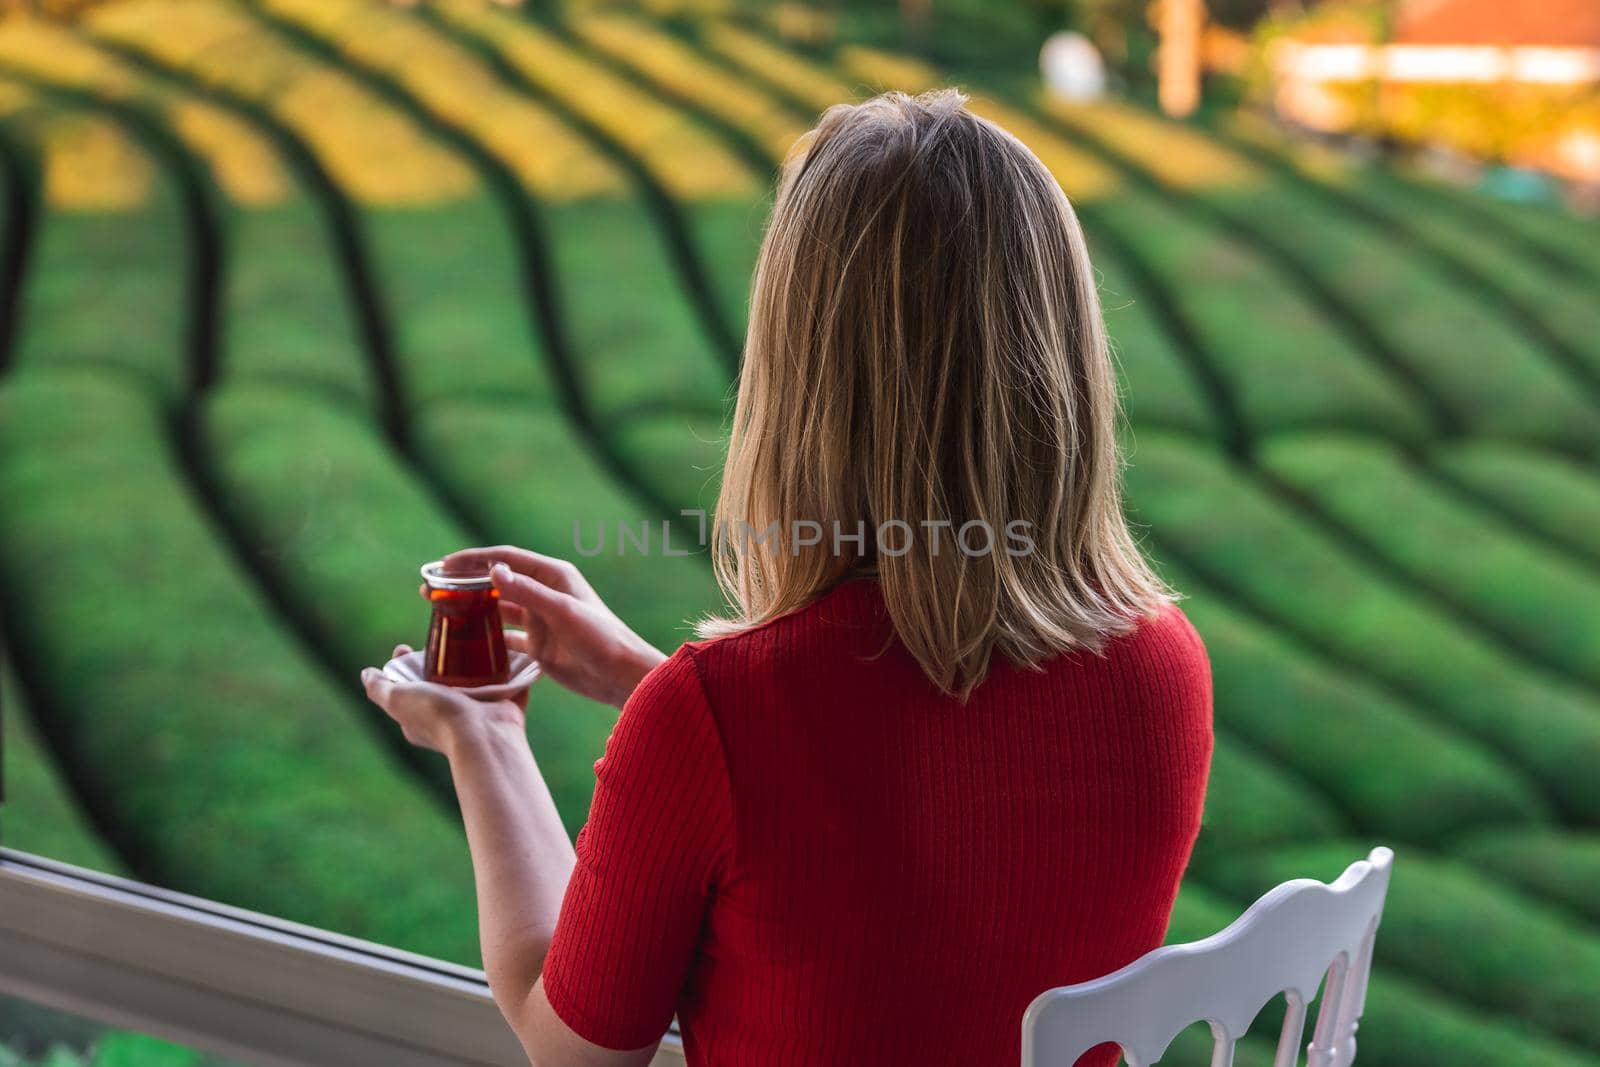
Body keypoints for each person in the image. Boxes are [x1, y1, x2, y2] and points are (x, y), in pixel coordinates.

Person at [361, 88, 1212, 1067]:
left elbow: (575, 1045)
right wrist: (646, 682)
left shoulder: (722, 716)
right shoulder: (1164, 664)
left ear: (799, 370)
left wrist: (485, 734)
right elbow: (887, 818)